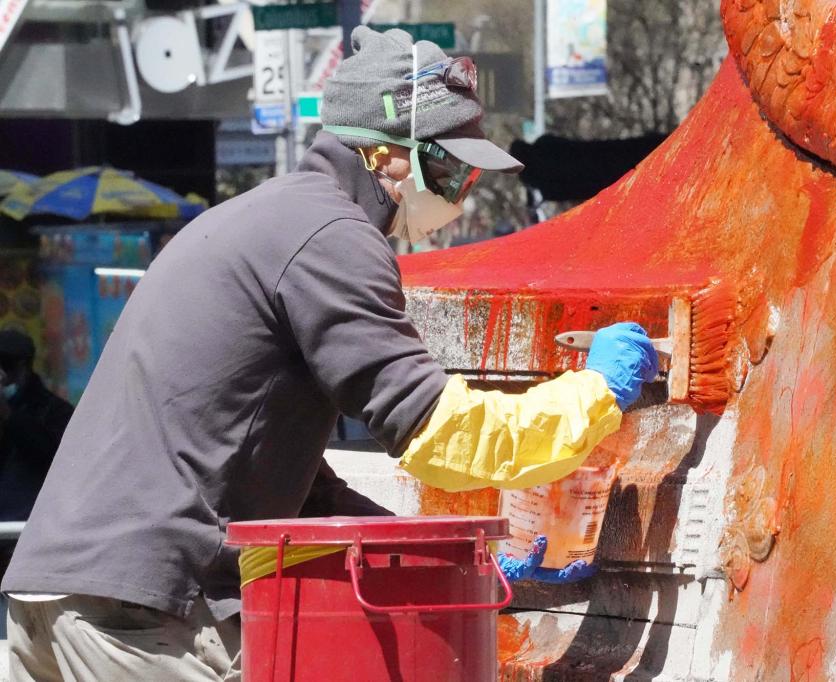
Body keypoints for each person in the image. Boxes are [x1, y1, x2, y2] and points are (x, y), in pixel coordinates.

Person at [1, 26, 658, 680]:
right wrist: (595, 393)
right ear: (383, 154)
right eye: (454, 167)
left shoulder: (267, 218)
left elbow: (300, 492)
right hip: (138, 614)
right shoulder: (328, 236)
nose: (466, 191)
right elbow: (440, 434)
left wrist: (456, 557)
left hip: (60, 598)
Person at [0, 330, 74, 579]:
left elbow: (55, 459)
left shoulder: (53, 411)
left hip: (27, 535)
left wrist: (9, 416)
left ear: (21, 365)